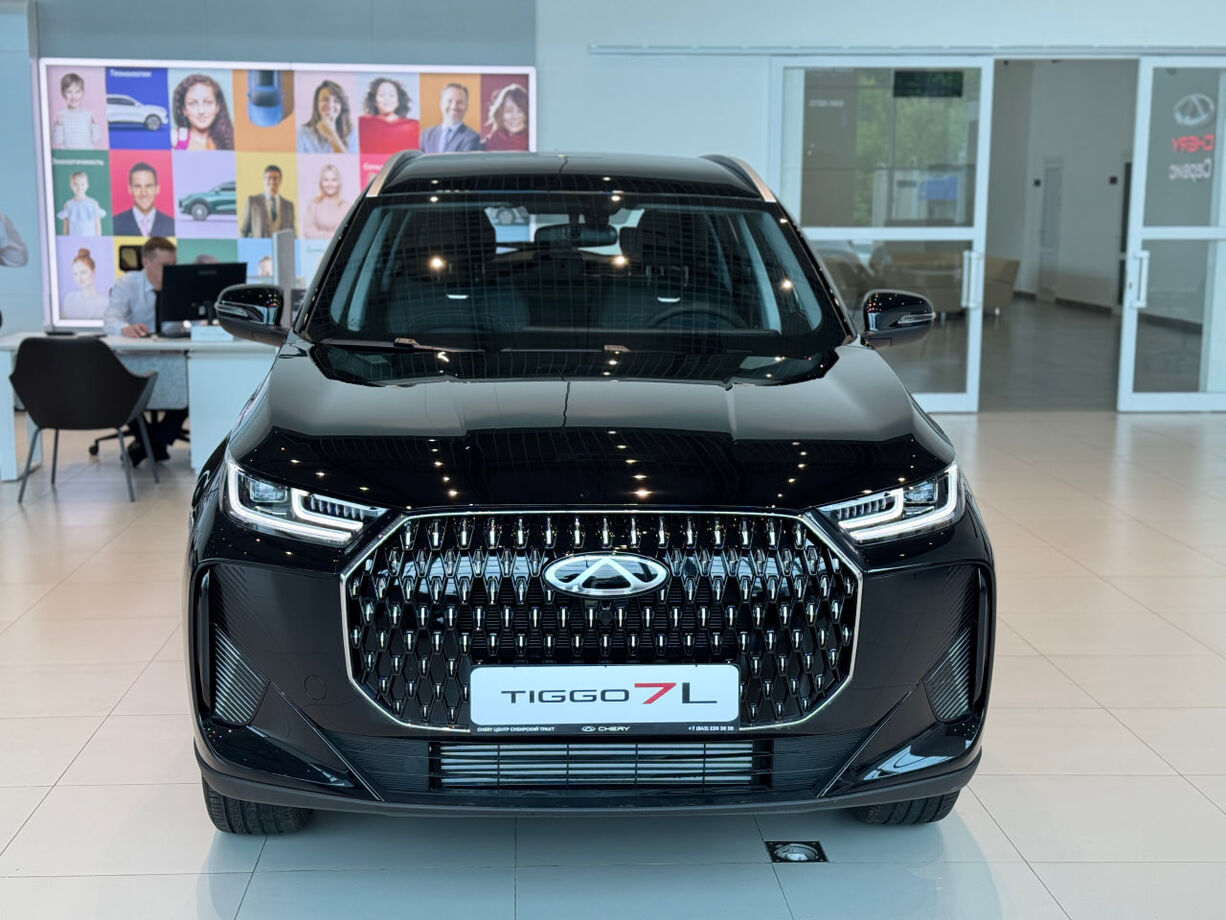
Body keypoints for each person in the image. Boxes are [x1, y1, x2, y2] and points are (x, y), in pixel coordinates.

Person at [102, 237, 186, 463]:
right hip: (135, 358)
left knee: (195, 381)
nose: (171, 271)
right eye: (165, 265)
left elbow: (197, 319)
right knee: (123, 390)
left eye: (174, 264)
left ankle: (152, 443)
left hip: (172, 359)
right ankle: (154, 444)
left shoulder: (180, 282)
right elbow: (110, 320)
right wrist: (125, 328)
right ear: (146, 263)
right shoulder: (127, 284)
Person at [172, 74, 234, 150]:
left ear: (218, 107)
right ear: (183, 109)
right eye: (192, 103)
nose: (201, 111)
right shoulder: (174, 140)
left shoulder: (232, 141)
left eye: (208, 102)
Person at [357, 77, 419, 153]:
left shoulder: (413, 126)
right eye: (382, 95)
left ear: (399, 100)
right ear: (374, 100)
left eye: (392, 95)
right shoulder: (363, 123)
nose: (387, 99)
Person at [112, 162, 175, 237]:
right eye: (138, 186)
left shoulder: (172, 225)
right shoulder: (115, 224)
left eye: (148, 186)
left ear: (157, 189)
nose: (143, 193)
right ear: (130, 189)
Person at [420, 83, 481, 154]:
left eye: (459, 102)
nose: (454, 106)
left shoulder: (473, 138)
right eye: (449, 101)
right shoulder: (427, 135)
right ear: (441, 104)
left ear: (466, 106)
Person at [297, 80, 355, 153]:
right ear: (317, 104)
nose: (330, 105)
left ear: (341, 107)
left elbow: (348, 160)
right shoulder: (302, 132)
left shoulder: (351, 133)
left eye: (336, 101)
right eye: (325, 99)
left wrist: (331, 134)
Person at [240, 164, 295, 237]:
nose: (272, 181)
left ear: (280, 181)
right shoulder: (252, 202)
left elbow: (292, 233)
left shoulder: (289, 205)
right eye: (269, 178)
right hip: (259, 244)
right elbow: (244, 230)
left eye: (275, 178)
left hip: (282, 244)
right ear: (264, 180)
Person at [51, 72, 102, 149]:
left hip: (86, 155)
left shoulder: (88, 115)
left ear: (83, 93)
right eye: (69, 92)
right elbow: (58, 141)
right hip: (68, 156)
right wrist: (59, 125)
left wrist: (95, 124)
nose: (74, 96)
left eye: (77, 92)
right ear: (63, 94)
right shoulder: (61, 116)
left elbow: (96, 139)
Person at [302, 163, 350, 239]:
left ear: (338, 183)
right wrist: (331, 236)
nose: (330, 184)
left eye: (334, 180)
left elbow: (348, 232)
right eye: (326, 180)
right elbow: (308, 231)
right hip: (316, 246)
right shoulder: (313, 204)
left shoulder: (346, 206)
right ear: (321, 183)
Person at [61, 247, 109, 319]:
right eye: (75, 274)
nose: (79, 278)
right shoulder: (69, 300)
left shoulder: (105, 303)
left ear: (93, 271)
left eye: (83, 272)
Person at [481, 83, 529, 151]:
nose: (514, 117)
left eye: (520, 111)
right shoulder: (483, 147)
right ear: (499, 113)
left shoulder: (535, 145)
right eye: (509, 110)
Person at [56, 171, 105, 236]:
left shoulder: (93, 203)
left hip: (90, 238)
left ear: (87, 185)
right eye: (75, 185)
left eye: (82, 184)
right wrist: (66, 239)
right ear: (71, 186)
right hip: (73, 238)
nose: (79, 188)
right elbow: (66, 227)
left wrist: (98, 239)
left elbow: (97, 225)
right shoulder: (68, 205)